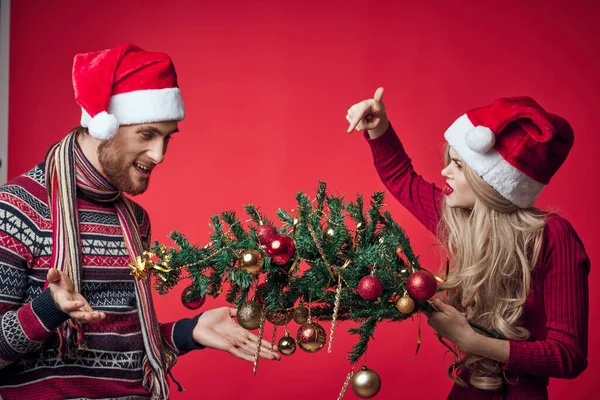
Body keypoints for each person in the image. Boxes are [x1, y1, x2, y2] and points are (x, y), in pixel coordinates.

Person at [0, 43, 280, 400]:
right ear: (106, 126)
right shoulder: (16, 209)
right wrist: (49, 309)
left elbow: (125, 354)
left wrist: (189, 331)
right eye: (147, 134)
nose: (159, 155)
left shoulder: (135, 221)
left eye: (166, 138)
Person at [346, 88, 589, 399]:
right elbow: (401, 177)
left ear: (490, 181)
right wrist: (378, 127)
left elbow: (568, 356)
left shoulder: (553, 236)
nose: (445, 171)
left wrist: (474, 342)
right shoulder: (461, 220)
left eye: (459, 165)